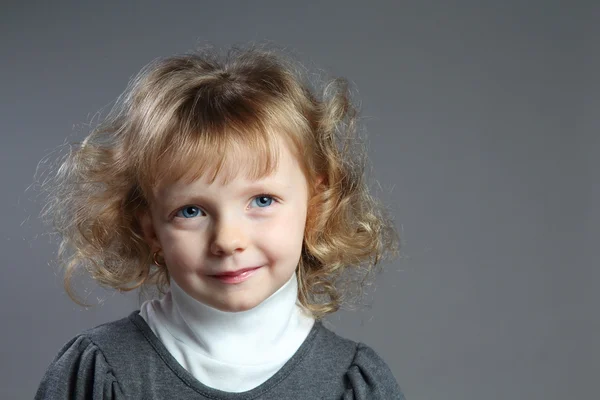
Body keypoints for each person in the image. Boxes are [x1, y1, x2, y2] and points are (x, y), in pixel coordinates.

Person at [34, 44, 405, 399]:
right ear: (151, 229)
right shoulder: (100, 373)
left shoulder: (353, 384)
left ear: (316, 206)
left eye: (262, 200)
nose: (228, 240)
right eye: (191, 211)